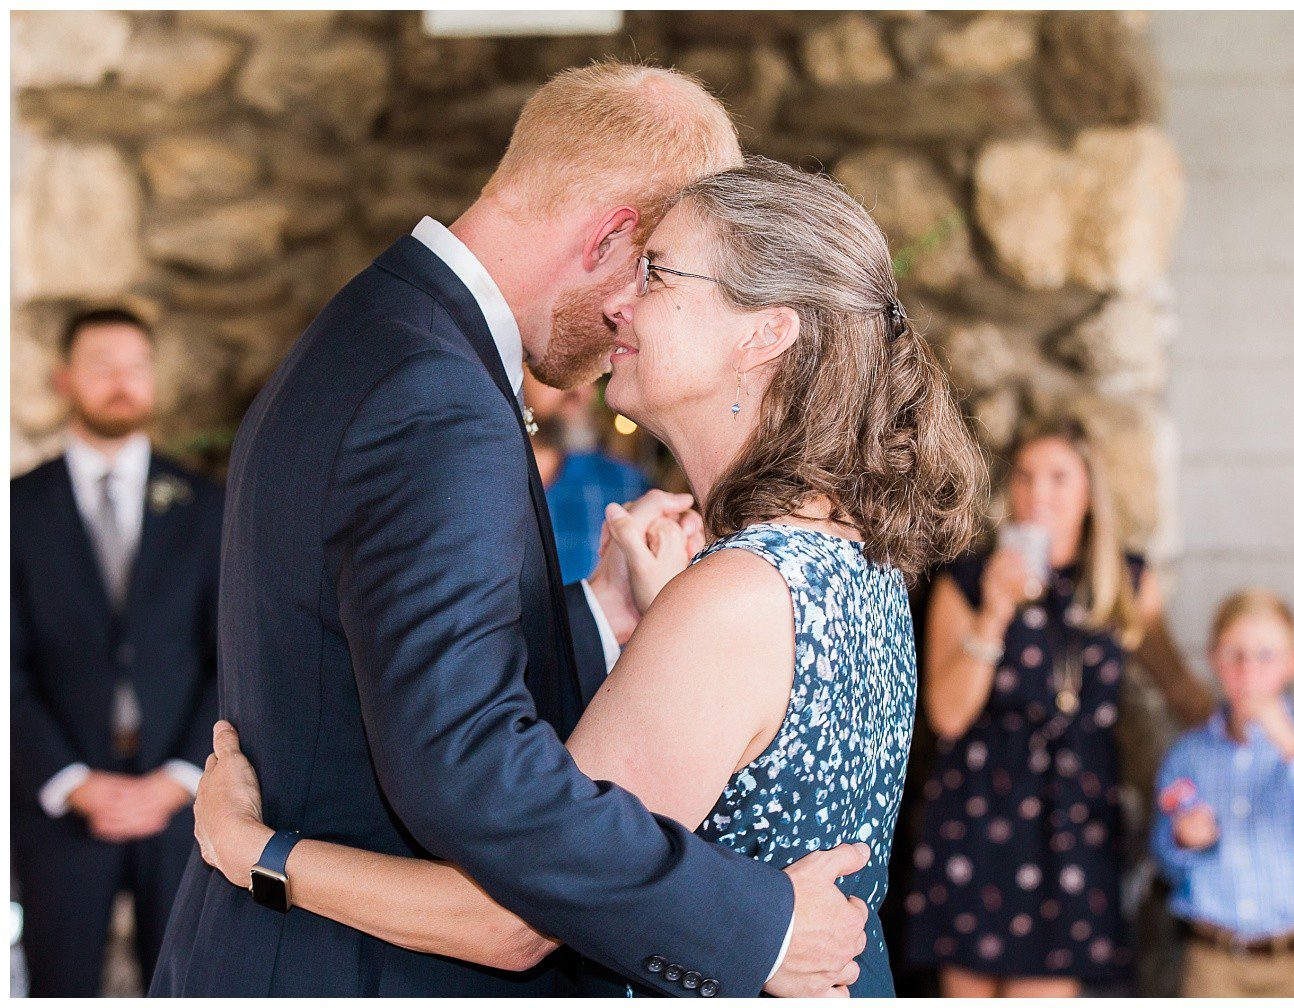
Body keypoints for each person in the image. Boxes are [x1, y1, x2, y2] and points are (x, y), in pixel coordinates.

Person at [151, 65, 874, 999]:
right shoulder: (434, 395)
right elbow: (466, 767)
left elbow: (385, 656)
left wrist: (594, 614)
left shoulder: (384, 329)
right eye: (648, 270)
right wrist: (759, 923)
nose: (632, 316)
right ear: (610, 235)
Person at [905, 417, 1214, 997]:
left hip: (1074, 823)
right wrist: (995, 610)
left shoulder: (1124, 582)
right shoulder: (966, 582)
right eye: (1024, 477)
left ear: (1090, 491)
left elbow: (1178, 688)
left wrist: (1247, 731)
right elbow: (946, 716)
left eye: (1057, 478)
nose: (1036, 494)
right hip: (976, 814)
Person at [11, 308, 223, 995]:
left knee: (187, 982)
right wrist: (69, 780)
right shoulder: (16, 509)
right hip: (59, 799)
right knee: (59, 985)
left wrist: (183, 775)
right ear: (64, 379)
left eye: (135, 365)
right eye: (102, 365)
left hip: (187, 800)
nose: (121, 381)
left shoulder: (206, 503)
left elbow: (231, 653)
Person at [1152, 589, 1294, 997]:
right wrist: (1182, 839)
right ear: (1214, 661)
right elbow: (1162, 858)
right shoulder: (1187, 754)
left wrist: (1292, 749)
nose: (1248, 670)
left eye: (1266, 655)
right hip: (1211, 962)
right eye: (1235, 655)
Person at [523, 368, 652, 584]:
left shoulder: (628, 490)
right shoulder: (468, 486)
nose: (583, 392)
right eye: (562, 371)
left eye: (591, 378)